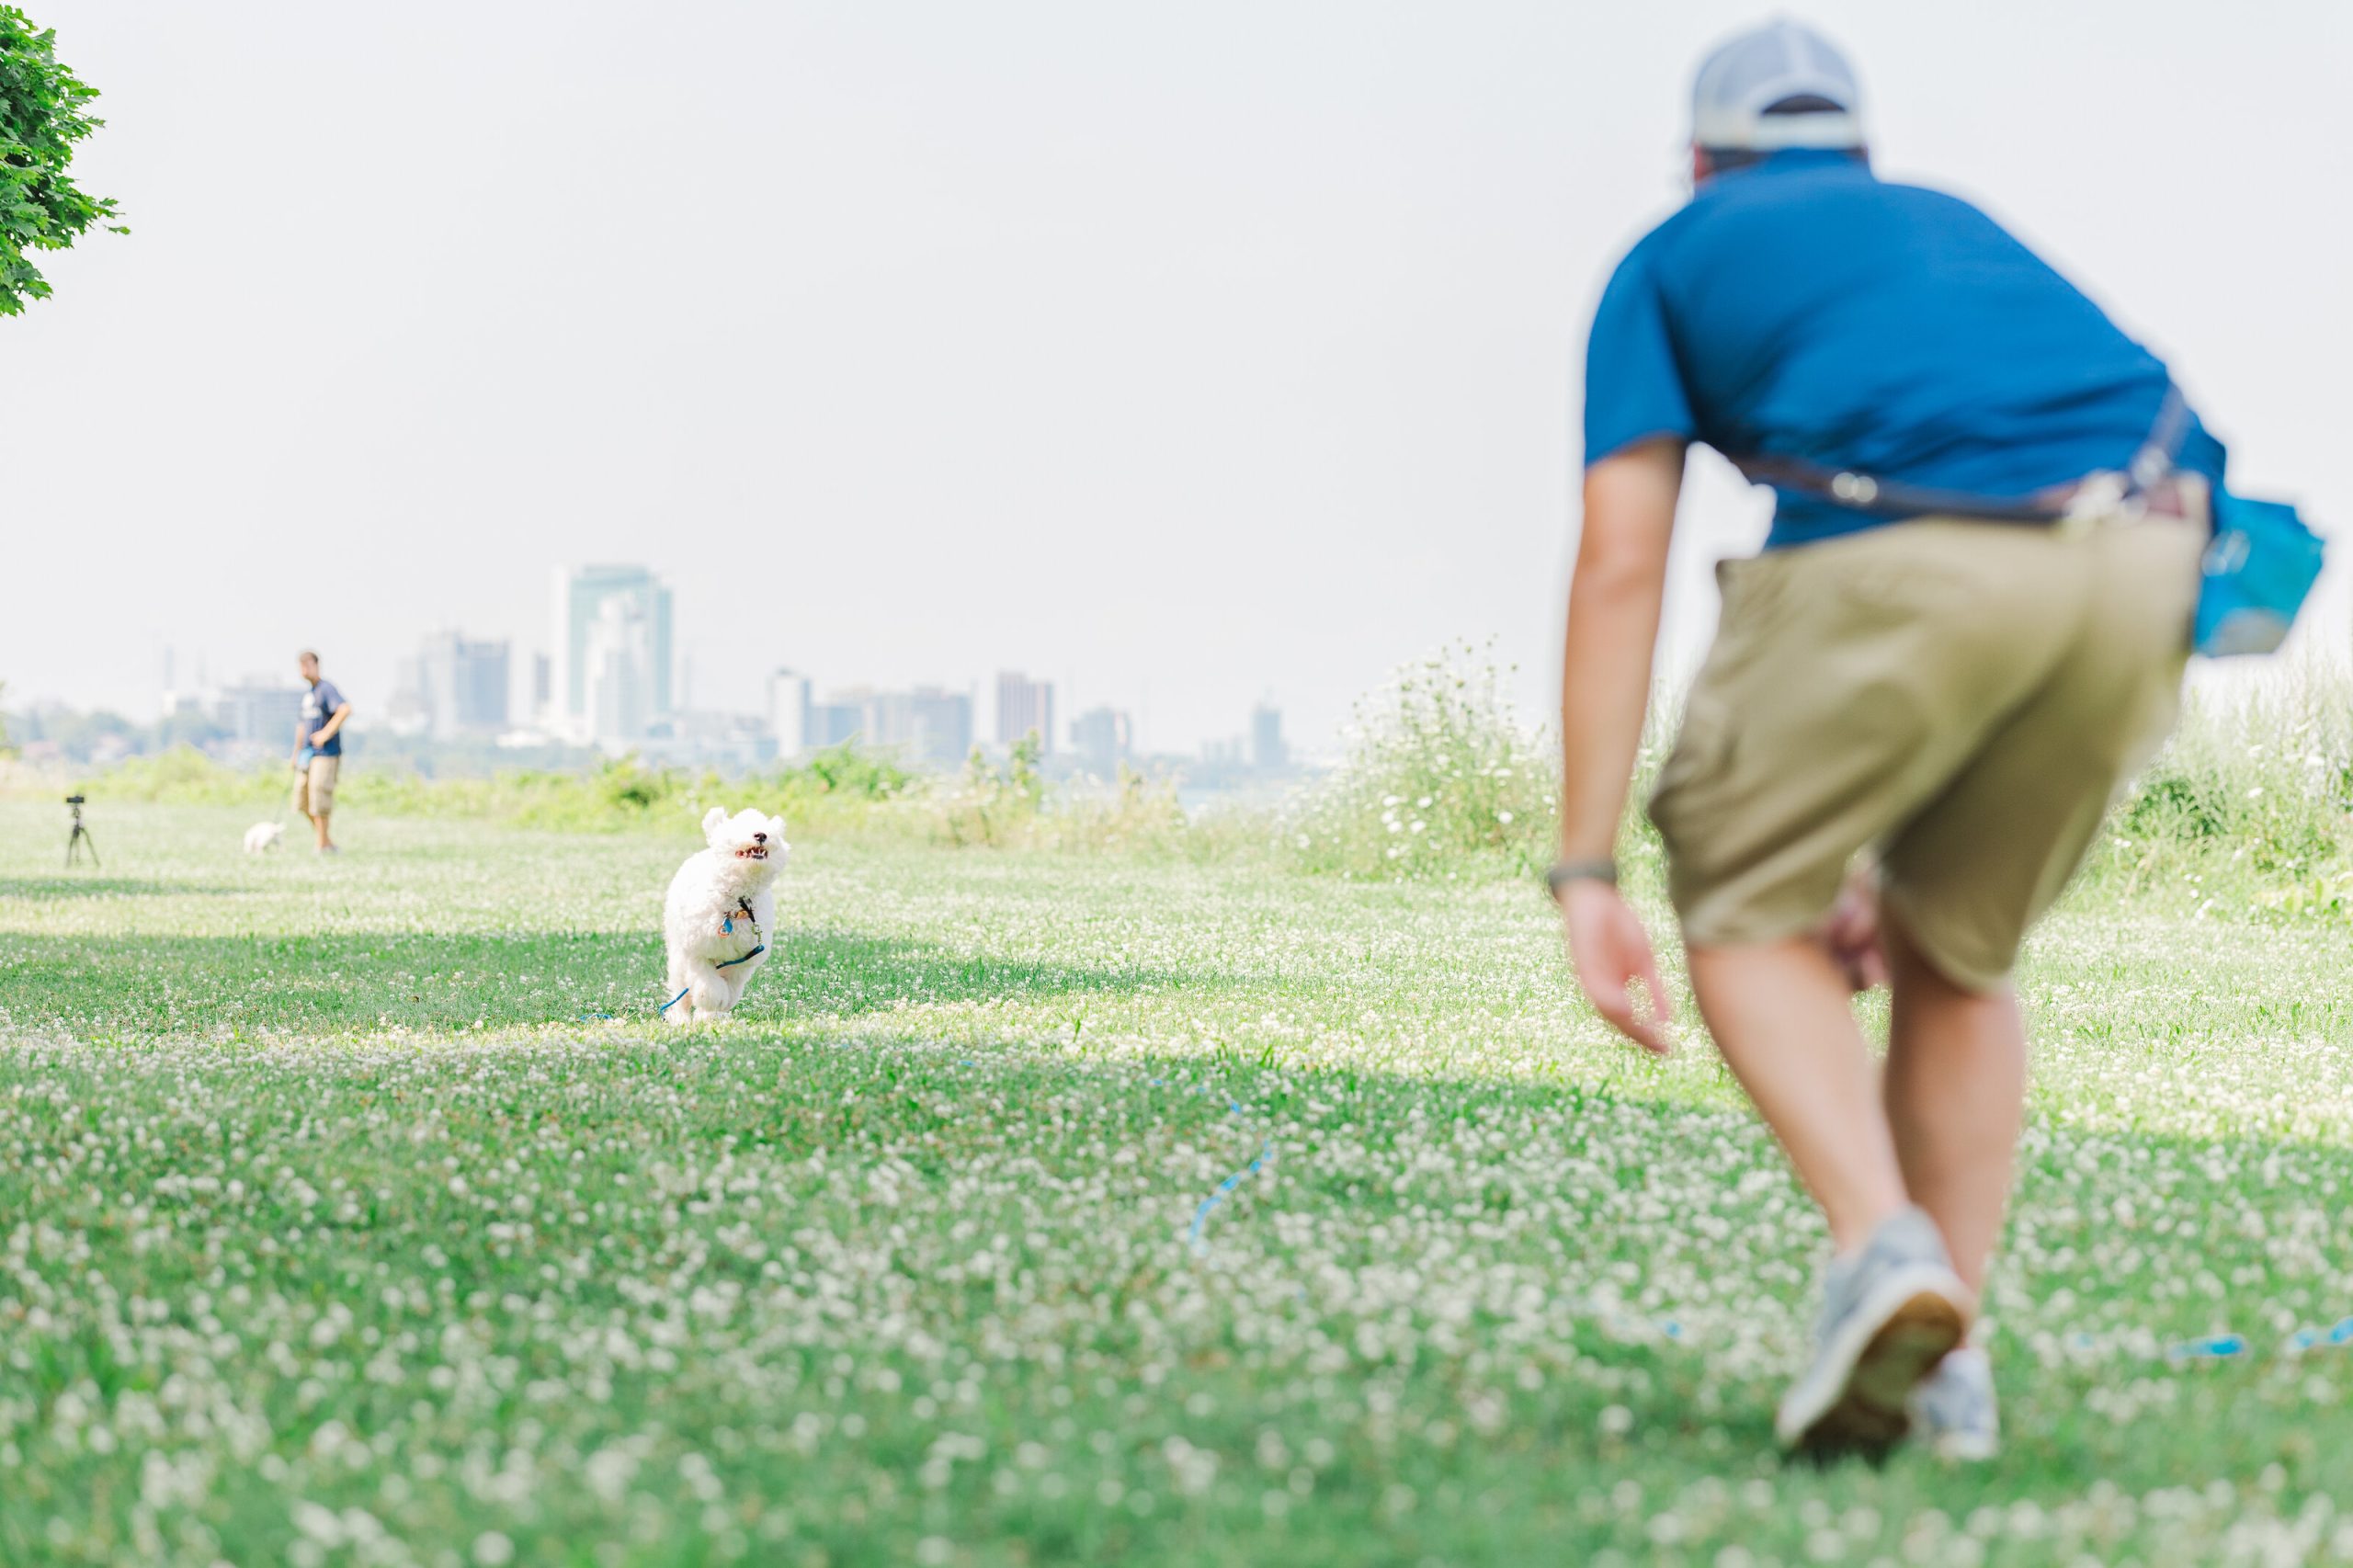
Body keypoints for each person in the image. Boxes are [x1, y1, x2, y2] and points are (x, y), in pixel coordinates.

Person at [1553, 18, 2222, 1459]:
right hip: (2156, 549)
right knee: (1953, 942)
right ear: (1857, 149)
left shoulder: (1671, 256)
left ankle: (1882, 1245)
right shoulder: (1948, 225)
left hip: (1928, 552)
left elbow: (1623, 558)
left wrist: (1586, 867)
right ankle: (1949, 1373)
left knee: (1741, 897)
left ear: (1699, 157)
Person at [291, 649, 353, 854]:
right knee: (302, 800)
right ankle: (326, 841)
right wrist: (295, 753)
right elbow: (302, 726)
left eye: (307, 665)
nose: (304, 670)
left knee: (320, 797)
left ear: (316, 665)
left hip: (326, 754)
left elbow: (344, 709)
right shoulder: (308, 695)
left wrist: (325, 734)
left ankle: (321, 844)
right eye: (301, 666)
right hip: (307, 755)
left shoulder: (326, 689)